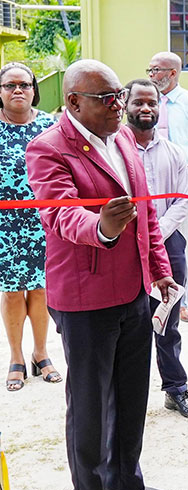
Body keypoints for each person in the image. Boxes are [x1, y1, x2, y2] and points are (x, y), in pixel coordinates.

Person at [26, 59, 175, 490]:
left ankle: (123, 480)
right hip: (85, 297)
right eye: (107, 98)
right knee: (89, 405)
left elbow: (146, 214)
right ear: (73, 101)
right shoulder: (48, 148)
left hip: (134, 291)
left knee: (132, 394)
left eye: (120, 96)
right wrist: (102, 227)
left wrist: (159, 268)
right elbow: (60, 213)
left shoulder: (124, 138)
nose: (120, 106)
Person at [124, 78, 188, 419]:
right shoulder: (116, 150)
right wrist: (139, 235)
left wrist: (153, 235)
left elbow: (182, 204)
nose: (146, 108)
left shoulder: (174, 153)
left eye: (152, 103)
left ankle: (176, 389)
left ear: (160, 108)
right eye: (138, 102)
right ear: (124, 105)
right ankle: (129, 399)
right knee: (130, 323)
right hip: (124, 244)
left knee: (167, 322)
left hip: (167, 245)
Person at [0, 62, 61, 391]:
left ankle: (40, 353)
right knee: (11, 293)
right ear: (0, 92)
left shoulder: (52, 126)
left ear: (35, 89)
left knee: (41, 289)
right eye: (10, 85)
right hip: (4, 228)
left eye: (24, 84)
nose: (18, 90)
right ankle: (16, 357)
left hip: (44, 223)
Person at [147, 51, 188, 323]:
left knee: (178, 243)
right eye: (149, 70)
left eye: (157, 70)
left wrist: (181, 171)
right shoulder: (145, 101)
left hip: (177, 182)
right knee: (147, 239)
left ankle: (183, 301)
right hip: (146, 179)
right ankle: (149, 296)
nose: (151, 75)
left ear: (173, 73)